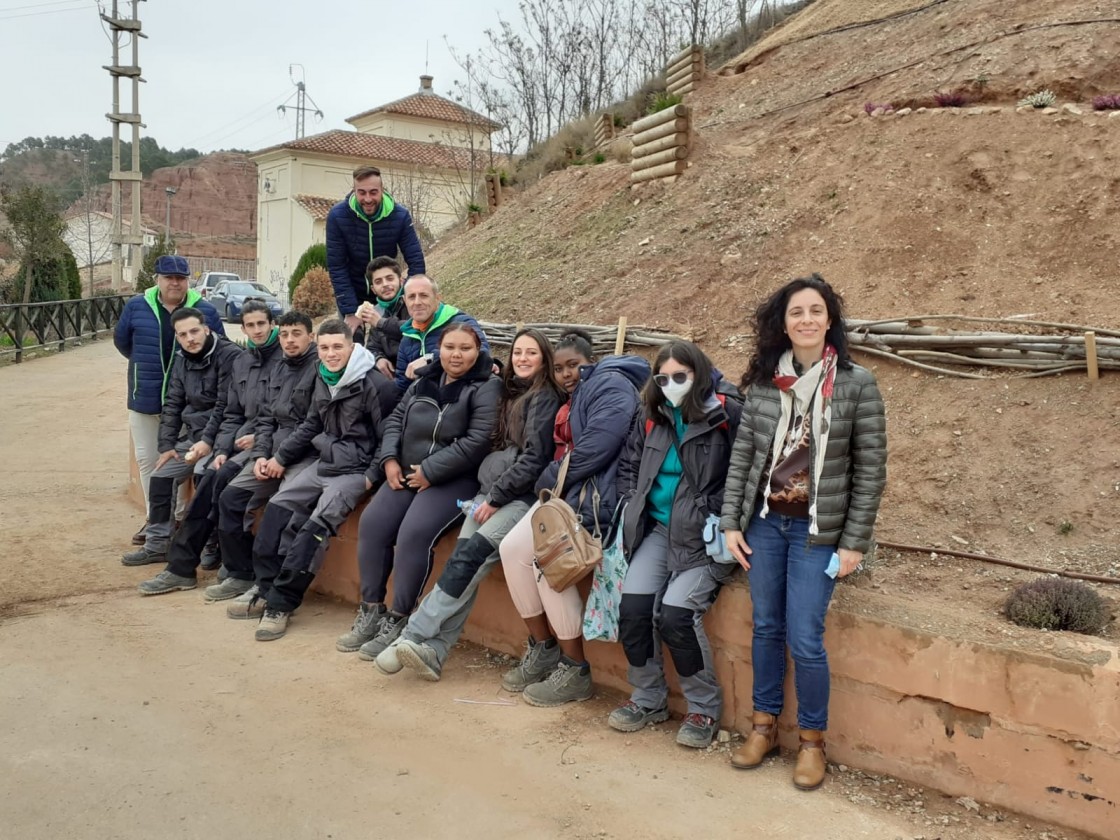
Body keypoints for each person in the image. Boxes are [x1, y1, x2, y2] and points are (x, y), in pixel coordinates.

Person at [719, 274, 887, 790]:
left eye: (816, 311)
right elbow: (743, 456)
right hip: (767, 527)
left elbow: (870, 469)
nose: (807, 320)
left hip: (820, 534)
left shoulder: (857, 384)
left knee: (806, 638)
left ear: (829, 320)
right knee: (766, 626)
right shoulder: (767, 383)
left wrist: (855, 541)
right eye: (797, 312)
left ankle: (813, 742)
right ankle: (763, 726)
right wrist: (730, 521)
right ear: (784, 323)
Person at [366, 329, 565, 680]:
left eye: (530, 353)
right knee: (463, 566)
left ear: (544, 359)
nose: (522, 358)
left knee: (470, 559)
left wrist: (495, 497)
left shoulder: (544, 397)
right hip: (489, 493)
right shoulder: (513, 390)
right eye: (517, 351)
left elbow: (534, 459)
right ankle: (434, 651)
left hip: (516, 499)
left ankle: (412, 635)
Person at [498, 330, 650, 707]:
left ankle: (575, 668)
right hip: (570, 492)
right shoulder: (577, 394)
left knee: (549, 561)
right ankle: (544, 647)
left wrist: (548, 478)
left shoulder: (610, 384)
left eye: (573, 366)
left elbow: (599, 446)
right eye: (559, 367)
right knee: (511, 549)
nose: (566, 374)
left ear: (590, 362)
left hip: (596, 497)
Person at [608, 340, 743, 749]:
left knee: (676, 617)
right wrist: (632, 500)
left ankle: (703, 707)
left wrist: (717, 511)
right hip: (660, 530)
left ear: (698, 374)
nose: (670, 385)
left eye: (680, 377)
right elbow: (631, 463)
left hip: (705, 539)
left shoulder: (726, 414)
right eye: (662, 377)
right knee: (632, 610)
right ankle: (649, 698)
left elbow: (747, 471)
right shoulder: (653, 414)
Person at [341, 323, 500, 660]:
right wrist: (388, 460)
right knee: (373, 523)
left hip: (455, 479)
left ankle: (399, 618)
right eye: (450, 347)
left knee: (413, 533)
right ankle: (371, 611)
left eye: (465, 348)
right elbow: (396, 420)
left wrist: (430, 470)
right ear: (438, 348)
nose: (456, 355)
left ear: (478, 351)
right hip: (406, 471)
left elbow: (478, 441)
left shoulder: (487, 386)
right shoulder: (425, 379)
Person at [249, 318, 398, 641]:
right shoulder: (322, 375)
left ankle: (282, 604)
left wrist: (371, 477)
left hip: (355, 471)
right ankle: (264, 586)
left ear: (351, 345)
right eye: (325, 347)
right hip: (325, 462)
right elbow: (312, 424)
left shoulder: (375, 384)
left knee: (315, 528)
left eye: (337, 347)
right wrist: (281, 457)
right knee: (277, 507)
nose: (331, 354)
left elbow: (389, 436)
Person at [134, 300, 285, 595]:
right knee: (211, 483)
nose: (256, 330)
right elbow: (231, 412)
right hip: (238, 444)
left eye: (262, 324)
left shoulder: (285, 361)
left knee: (218, 488)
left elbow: (294, 415)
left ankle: (229, 564)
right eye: (250, 325)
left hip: (271, 447)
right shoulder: (246, 361)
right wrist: (223, 450)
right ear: (242, 328)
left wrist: (257, 439)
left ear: (273, 326)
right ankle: (179, 566)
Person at [208, 311, 320, 607]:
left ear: (311, 336)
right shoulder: (280, 368)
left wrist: (280, 457)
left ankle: (271, 587)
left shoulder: (320, 368)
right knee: (230, 497)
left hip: (305, 457)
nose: (290, 340)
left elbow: (313, 424)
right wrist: (259, 455)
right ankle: (240, 571)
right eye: (284, 334)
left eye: (296, 333)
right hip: (271, 453)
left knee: (281, 514)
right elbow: (266, 419)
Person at [113, 255, 225, 545]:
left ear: (188, 280)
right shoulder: (137, 306)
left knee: (179, 462)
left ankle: (175, 519)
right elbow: (123, 342)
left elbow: (220, 349)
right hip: (145, 397)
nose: (175, 282)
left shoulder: (204, 310)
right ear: (157, 279)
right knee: (149, 462)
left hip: (190, 404)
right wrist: (144, 368)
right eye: (168, 277)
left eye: (180, 278)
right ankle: (155, 520)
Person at [120, 307, 243, 567]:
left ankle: (211, 544)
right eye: (183, 334)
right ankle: (157, 544)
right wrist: (166, 445)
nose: (190, 338)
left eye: (195, 331)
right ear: (177, 337)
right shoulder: (181, 358)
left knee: (203, 473)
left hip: (222, 436)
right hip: (193, 436)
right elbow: (173, 403)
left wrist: (207, 442)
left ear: (207, 329)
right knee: (161, 475)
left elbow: (225, 405)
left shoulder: (229, 355)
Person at [326, 165, 425, 335]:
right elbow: (336, 266)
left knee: (392, 339)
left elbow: (416, 260)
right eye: (362, 192)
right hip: (353, 290)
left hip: (387, 291)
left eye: (373, 192)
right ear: (354, 191)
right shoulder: (337, 216)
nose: (367, 198)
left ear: (382, 190)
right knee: (351, 341)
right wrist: (350, 311)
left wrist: (408, 293)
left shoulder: (399, 215)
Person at [392, 274, 490, 392]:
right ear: (405, 301)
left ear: (437, 298)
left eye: (424, 295)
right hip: (425, 402)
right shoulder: (407, 337)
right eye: (411, 297)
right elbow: (402, 385)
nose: (417, 302)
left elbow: (482, 352)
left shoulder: (461, 322)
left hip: (463, 394)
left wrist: (431, 358)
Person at [355, 256, 408, 379]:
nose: (385, 285)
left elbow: (415, 327)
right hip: (392, 374)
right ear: (373, 289)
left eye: (390, 279)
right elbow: (372, 346)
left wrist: (380, 322)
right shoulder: (377, 310)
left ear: (401, 281)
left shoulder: (412, 300)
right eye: (378, 282)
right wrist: (378, 358)